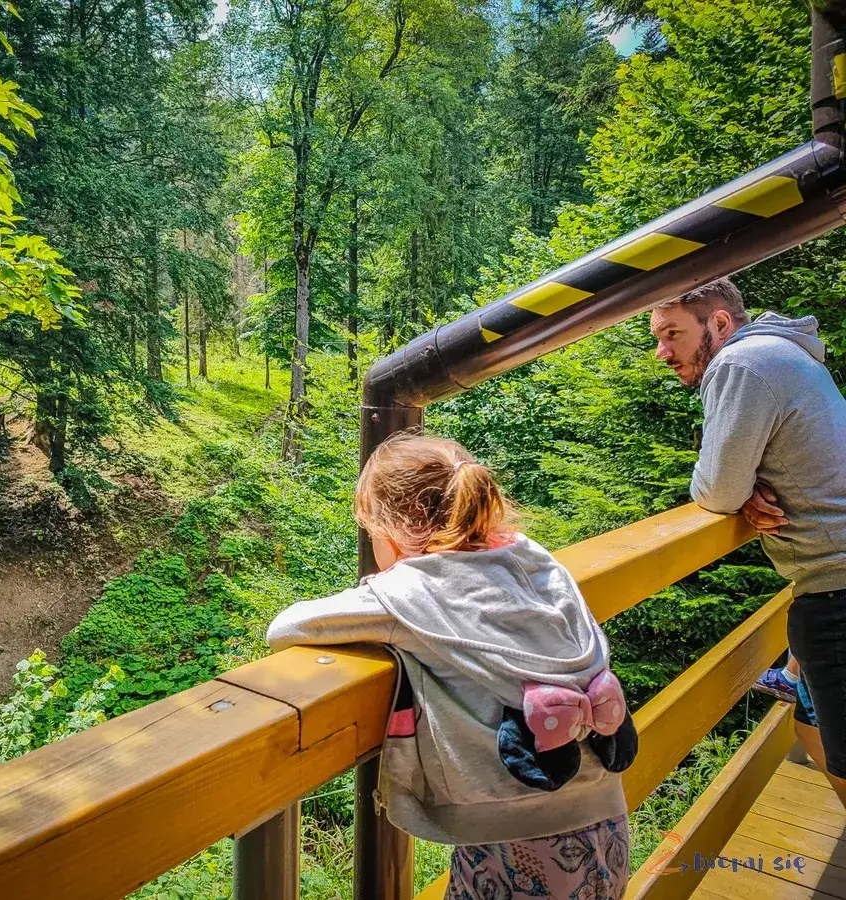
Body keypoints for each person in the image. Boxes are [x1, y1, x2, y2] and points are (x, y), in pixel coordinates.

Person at [267, 434, 634, 900]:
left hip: (515, 843)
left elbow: (286, 627)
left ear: (390, 532)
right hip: (607, 821)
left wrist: (381, 594)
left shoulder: (409, 593)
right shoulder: (530, 559)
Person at [650, 278, 846, 806]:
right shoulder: (784, 353)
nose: (662, 353)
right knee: (808, 723)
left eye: (672, 334)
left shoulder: (742, 363)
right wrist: (748, 485)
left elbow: (717, 490)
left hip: (836, 590)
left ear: (719, 323)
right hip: (827, 584)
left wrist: (738, 489)